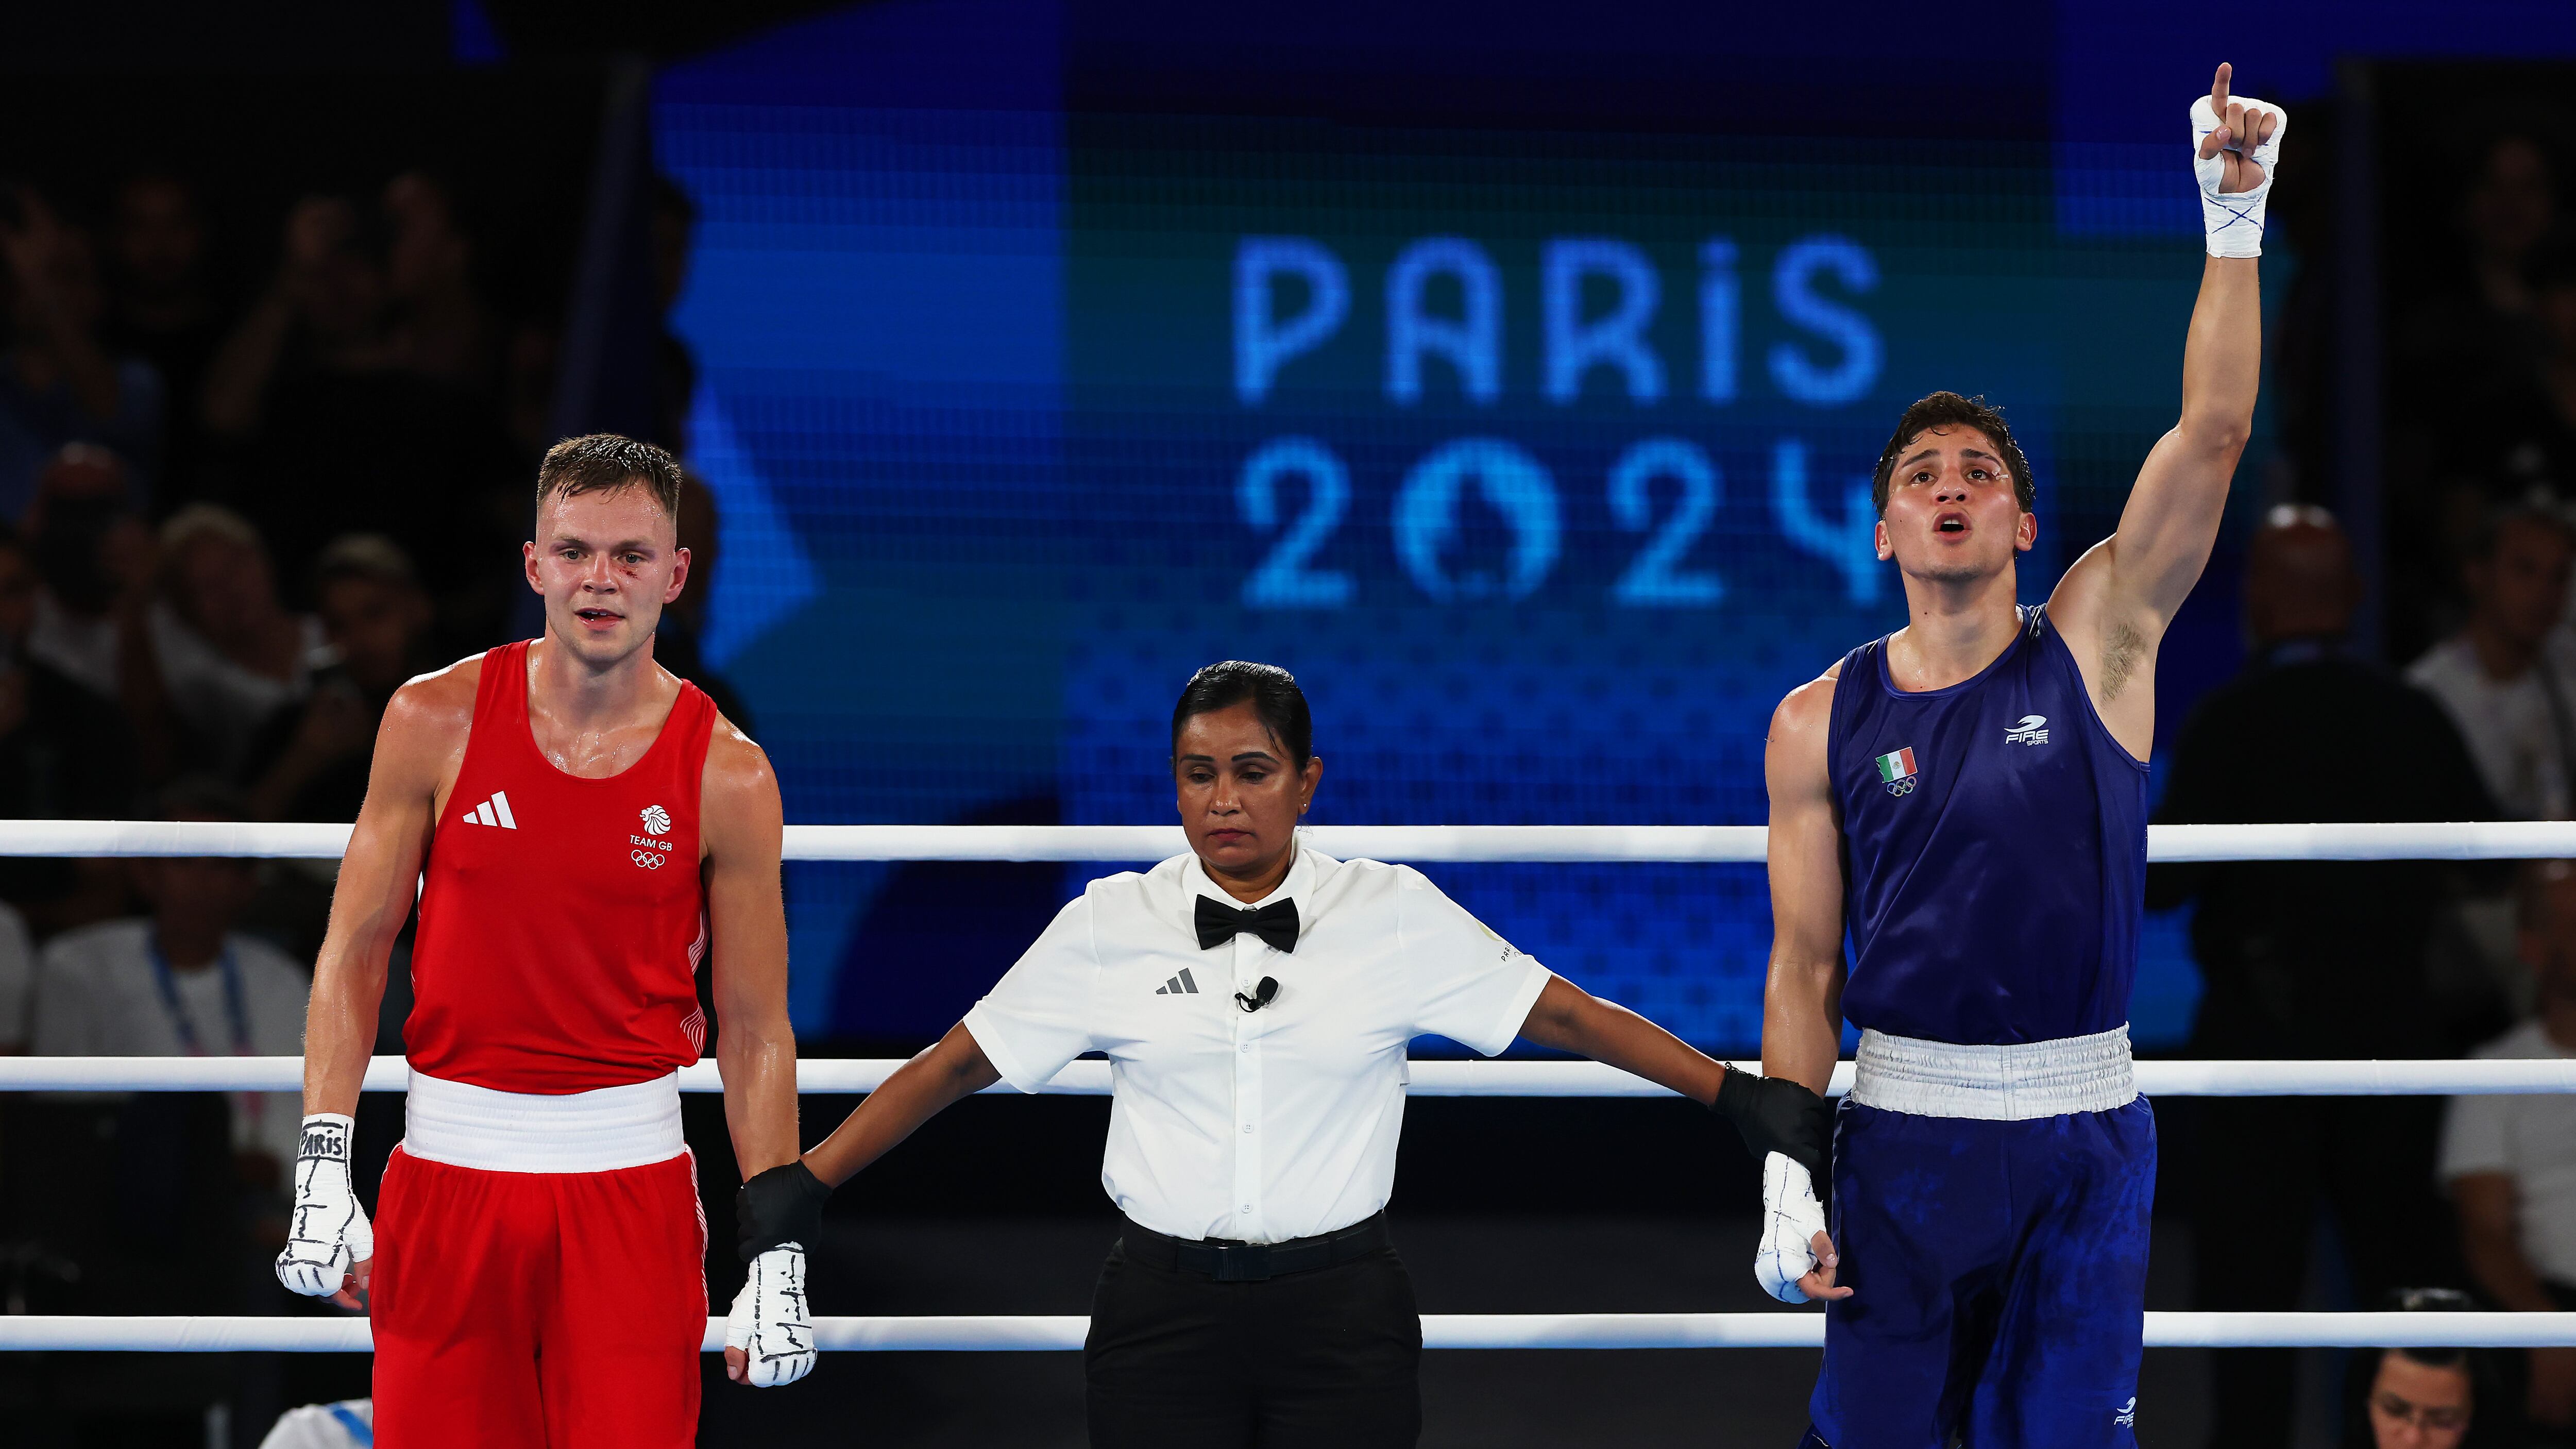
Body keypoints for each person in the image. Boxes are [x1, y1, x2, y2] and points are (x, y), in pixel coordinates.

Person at [788, 659, 1820, 1447]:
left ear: (1305, 780)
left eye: (1250, 770)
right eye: (1198, 774)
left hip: (1340, 1312)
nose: (1222, 799)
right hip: (1158, 1310)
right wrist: (806, 1180)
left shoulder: (1391, 910)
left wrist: (1734, 1094)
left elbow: (1568, 1016)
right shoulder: (1110, 919)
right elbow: (954, 1063)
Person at [1755, 67, 2280, 1446]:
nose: (1949, 484)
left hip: (2082, 1130)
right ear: (1882, 531)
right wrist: (1785, 1174)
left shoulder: (2102, 638)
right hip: (1904, 1134)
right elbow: (1804, 966)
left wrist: (2236, 217)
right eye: (1920, 472)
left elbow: (2213, 434)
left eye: (1979, 470)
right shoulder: (1817, 718)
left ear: (2024, 526)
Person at [271, 434, 818, 1446]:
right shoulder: (430, 718)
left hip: (630, 1192)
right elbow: (354, 946)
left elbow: (754, 1025)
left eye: (630, 555)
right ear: (534, 563)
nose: (600, 580)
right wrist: (322, 1160)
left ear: (676, 574)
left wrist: (773, 1248)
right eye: (574, 551)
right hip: (448, 1180)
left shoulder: (729, 774)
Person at [2153, 508, 2498, 1445]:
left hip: (2261, 1050)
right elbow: (2497, 861)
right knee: (2398, 1286)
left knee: (2251, 1300)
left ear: (2259, 605)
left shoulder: (2227, 722)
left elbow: (2162, 882)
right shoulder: (2409, 714)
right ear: (2349, 602)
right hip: (2391, 1044)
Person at [29, 779, 308, 1171]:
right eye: (182, 862)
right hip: (117, 1192)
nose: (200, 883)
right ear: (145, 874)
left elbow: (296, 1115)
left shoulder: (281, 979)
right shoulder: (78, 965)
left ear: (247, 885)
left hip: (257, 1201)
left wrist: (273, 1178)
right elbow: (63, 1117)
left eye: (218, 865)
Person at [2444, 861, 2576, 1439]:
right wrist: (2548, 1330)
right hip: (2552, 1300)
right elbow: (2483, 1230)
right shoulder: (2496, 1071)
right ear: (2532, 945)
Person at [243, 533, 435, 822]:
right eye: (339, 624)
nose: (360, 639)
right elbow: (234, 837)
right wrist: (305, 758)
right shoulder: (303, 725)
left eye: (374, 614)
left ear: (418, 606)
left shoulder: (480, 700)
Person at [0, 187, 162, 520]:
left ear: (100, 292)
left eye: (68, 275)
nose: (44, 286)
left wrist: (38, 283)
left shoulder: (136, 383)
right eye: (22, 272)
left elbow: (107, 409)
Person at [2410, 498, 2576, 824]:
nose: (2544, 592)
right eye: (2525, 570)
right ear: (2477, 574)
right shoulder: (2428, 695)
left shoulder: (2568, 667)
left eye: (2558, 576)